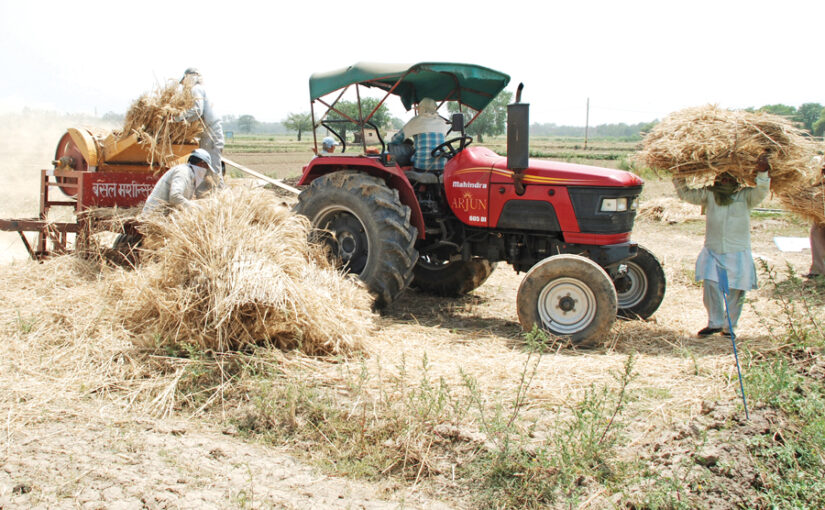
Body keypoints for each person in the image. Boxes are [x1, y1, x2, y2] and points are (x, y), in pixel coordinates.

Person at [673, 155, 771, 337]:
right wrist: (679, 174)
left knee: (736, 290)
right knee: (711, 284)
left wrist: (763, 172)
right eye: (722, 176)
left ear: (736, 179)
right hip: (714, 250)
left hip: (738, 251)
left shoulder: (745, 196)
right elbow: (685, 194)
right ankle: (715, 323)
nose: (725, 180)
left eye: (729, 177)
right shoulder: (709, 195)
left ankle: (729, 327)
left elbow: (762, 191)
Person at [177, 68, 225, 179]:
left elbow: (197, 111)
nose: (184, 85)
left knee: (213, 172)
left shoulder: (196, 89)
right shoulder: (202, 89)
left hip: (211, 136)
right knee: (207, 171)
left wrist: (177, 118)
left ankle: (218, 190)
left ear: (189, 77)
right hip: (208, 135)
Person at [141, 149, 219, 216]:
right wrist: (194, 207)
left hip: (163, 216)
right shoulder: (183, 172)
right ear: (201, 164)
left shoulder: (190, 175)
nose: (205, 172)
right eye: (206, 168)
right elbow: (175, 196)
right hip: (154, 215)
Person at [389, 97, 450, 171]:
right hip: (442, 167)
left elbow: (395, 140)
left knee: (391, 146)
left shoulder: (415, 121)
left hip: (421, 167)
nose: (418, 111)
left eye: (419, 109)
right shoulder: (442, 122)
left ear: (422, 109)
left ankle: (391, 169)